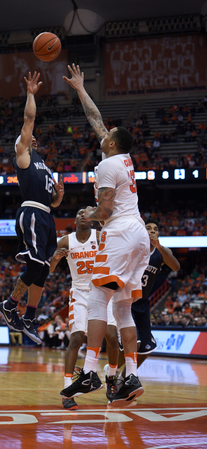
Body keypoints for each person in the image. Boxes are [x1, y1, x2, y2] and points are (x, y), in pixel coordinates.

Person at [60, 64, 150, 407]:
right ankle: (130, 377)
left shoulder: (106, 166)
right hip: (139, 233)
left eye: (106, 134)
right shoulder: (123, 158)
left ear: (110, 143)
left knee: (98, 299)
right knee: (124, 307)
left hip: (121, 232)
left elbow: (107, 211)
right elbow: (96, 120)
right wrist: (81, 89)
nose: (102, 133)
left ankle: (91, 371)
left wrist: (87, 216)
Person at [0, 72, 64, 344]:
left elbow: (53, 203)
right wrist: (31, 93)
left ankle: (29, 317)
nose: (32, 137)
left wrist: (59, 196)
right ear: (21, 145)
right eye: (27, 137)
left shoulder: (44, 166)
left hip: (47, 217)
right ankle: (10, 305)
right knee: (36, 266)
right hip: (32, 213)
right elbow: (29, 120)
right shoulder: (23, 156)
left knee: (44, 271)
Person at [111, 217, 180, 387]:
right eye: (148, 228)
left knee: (148, 348)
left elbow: (176, 267)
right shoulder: (135, 248)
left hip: (143, 303)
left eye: (155, 229)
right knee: (135, 342)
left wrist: (160, 247)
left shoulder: (161, 252)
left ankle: (123, 375)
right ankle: (113, 371)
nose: (152, 231)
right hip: (126, 301)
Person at [50, 207, 100, 410]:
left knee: (111, 337)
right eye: (78, 212)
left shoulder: (100, 236)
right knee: (76, 338)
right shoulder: (65, 241)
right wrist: (55, 259)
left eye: (86, 213)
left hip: (100, 291)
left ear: (93, 219)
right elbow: (48, 269)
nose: (82, 215)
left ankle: (110, 379)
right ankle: (67, 389)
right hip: (79, 292)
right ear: (75, 219)